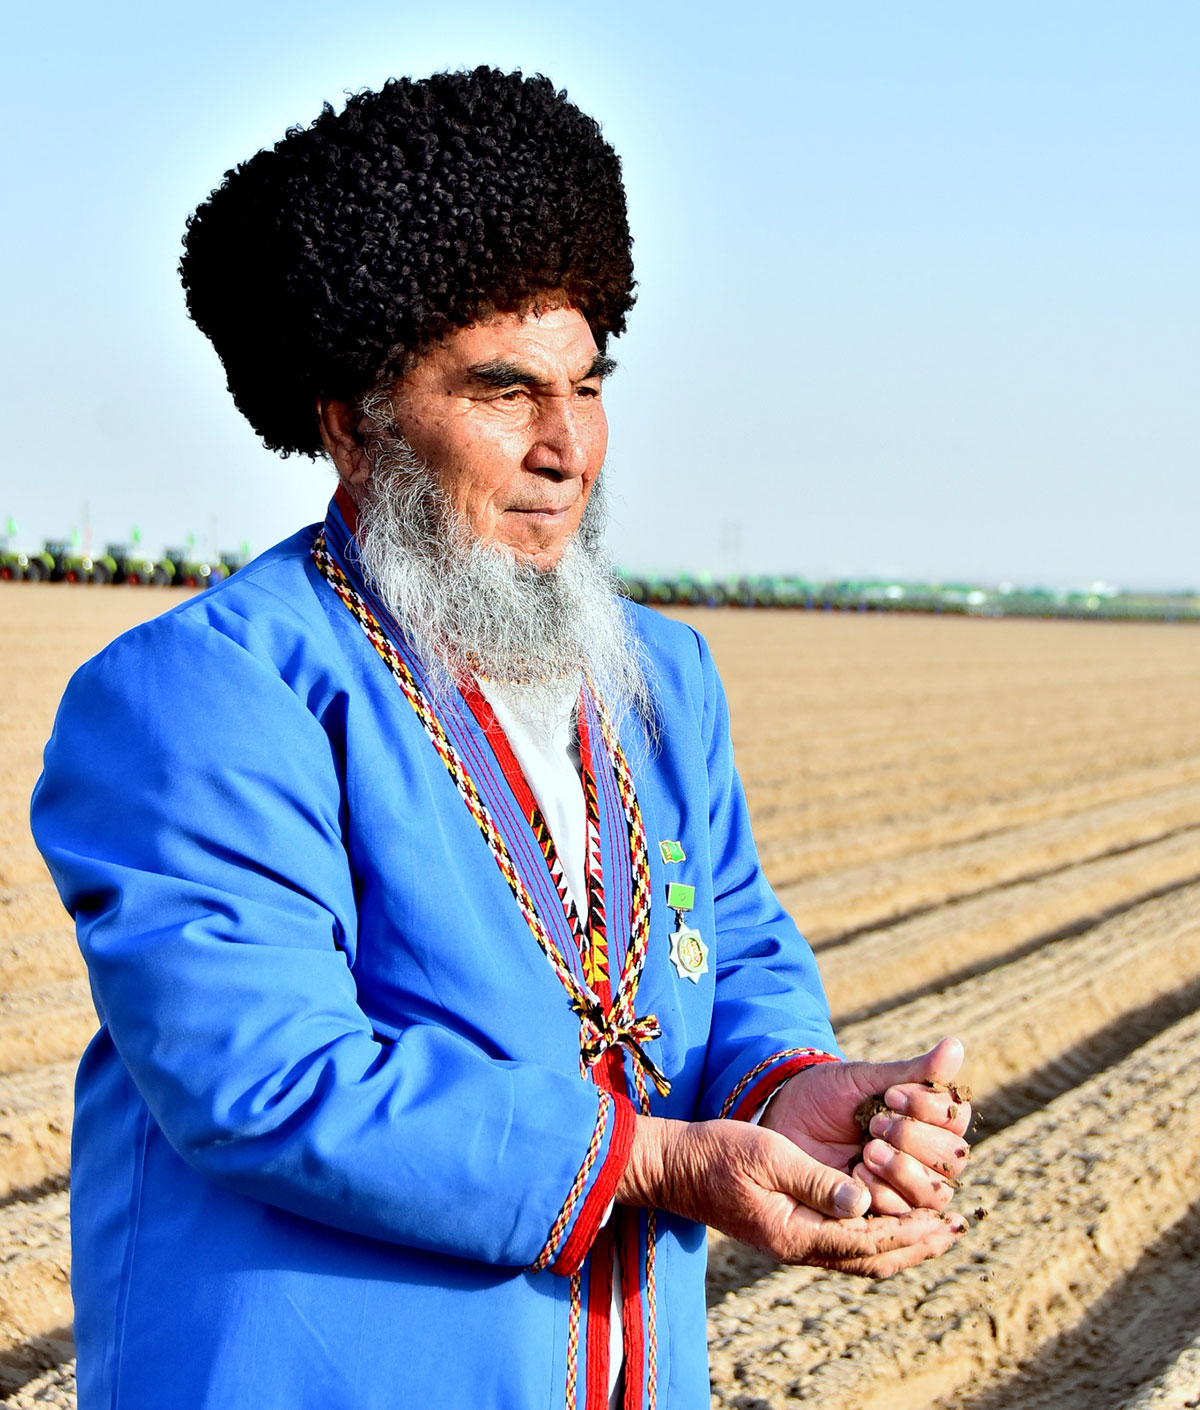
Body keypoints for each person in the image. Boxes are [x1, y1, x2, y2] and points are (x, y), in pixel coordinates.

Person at [32, 68, 971, 1410]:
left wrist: (789, 1096)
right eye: (502, 388)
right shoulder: (205, 692)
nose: (567, 446)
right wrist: (650, 1163)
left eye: (587, 384)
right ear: (352, 424)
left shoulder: (662, 676)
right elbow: (269, 1078)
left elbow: (740, 943)